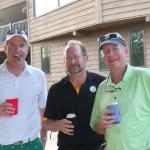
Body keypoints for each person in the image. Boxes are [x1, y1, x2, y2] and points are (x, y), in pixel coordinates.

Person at [90, 32, 150, 150]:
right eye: (105, 51)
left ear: (126, 51)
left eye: (115, 48)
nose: (110, 54)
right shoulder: (102, 87)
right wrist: (101, 124)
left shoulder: (145, 76)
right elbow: (95, 125)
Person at [44, 40, 105, 150]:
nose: (72, 61)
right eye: (68, 58)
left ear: (86, 58)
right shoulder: (56, 90)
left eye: (76, 56)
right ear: (64, 61)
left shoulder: (101, 84)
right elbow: (46, 122)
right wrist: (57, 125)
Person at [0, 30, 47, 150]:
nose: (17, 50)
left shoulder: (39, 75)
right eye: (12, 46)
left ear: (28, 49)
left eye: (21, 45)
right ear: (5, 49)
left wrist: (43, 139)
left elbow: (42, 110)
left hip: (32, 144)